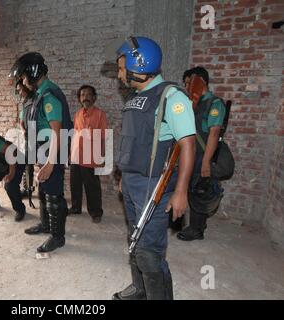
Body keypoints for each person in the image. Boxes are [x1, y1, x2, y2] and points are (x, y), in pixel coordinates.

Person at [111, 36, 196, 300]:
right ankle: (140, 288)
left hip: (154, 186)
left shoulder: (171, 97)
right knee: (135, 239)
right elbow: (132, 143)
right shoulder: (137, 97)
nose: (120, 73)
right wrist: (123, 176)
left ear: (139, 66)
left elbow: (189, 144)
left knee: (150, 252)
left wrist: (181, 192)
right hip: (133, 182)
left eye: (122, 67)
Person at [9, 52, 73, 252]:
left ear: (33, 73)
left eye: (24, 77)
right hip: (43, 150)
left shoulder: (49, 95)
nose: (23, 81)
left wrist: (50, 163)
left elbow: (58, 132)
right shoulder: (39, 93)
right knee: (44, 190)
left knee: (53, 194)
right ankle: (46, 225)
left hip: (51, 152)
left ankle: (57, 237)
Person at [177, 66, 226, 241]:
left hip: (202, 154)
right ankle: (179, 220)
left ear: (201, 81)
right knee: (184, 185)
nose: (187, 86)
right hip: (188, 151)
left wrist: (206, 162)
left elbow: (214, 133)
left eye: (190, 82)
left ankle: (197, 229)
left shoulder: (214, 104)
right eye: (186, 84)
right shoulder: (191, 102)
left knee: (199, 189)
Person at [69, 85, 107, 223]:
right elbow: (75, 134)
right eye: (82, 95)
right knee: (75, 184)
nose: (85, 97)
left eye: (88, 94)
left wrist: (102, 156)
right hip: (76, 155)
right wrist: (70, 153)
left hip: (90, 157)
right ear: (80, 99)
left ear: (94, 97)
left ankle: (96, 212)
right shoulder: (78, 114)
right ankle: (75, 207)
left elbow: (103, 136)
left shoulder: (100, 114)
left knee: (92, 187)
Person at [16, 80, 35, 199]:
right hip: (29, 136)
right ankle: (28, 189)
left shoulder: (36, 99)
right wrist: (23, 130)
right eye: (18, 90)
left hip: (41, 136)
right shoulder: (24, 102)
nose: (20, 92)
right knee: (28, 164)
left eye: (21, 89)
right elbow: (21, 121)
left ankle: (48, 191)